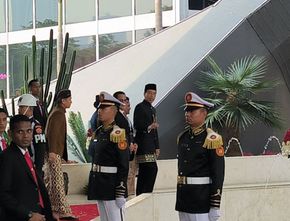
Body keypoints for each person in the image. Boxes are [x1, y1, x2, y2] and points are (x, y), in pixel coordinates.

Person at [175, 92, 225, 221]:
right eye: (187, 110)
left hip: (201, 200)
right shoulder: (183, 137)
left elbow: (218, 173)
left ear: (204, 113)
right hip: (183, 198)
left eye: (192, 111)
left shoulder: (212, 139)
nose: (188, 114)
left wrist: (215, 205)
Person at [0, 114, 56, 221]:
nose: (26, 135)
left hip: (39, 212)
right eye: (20, 132)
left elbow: (36, 186)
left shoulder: (26, 153)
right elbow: (3, 194)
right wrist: (28, 214)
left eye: (29, 131)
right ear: (10, 133)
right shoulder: (7, 157)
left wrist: (47, 211)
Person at [87, 91, 129, 221]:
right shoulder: (99, 132)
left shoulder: (117, 133)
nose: (100, 110)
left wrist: (120, 190)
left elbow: (123, 163)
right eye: (99, 107)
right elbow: (92, 154)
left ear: (114, 111)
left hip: (111, 186)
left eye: (104, 108)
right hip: (99, 184)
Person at [45, 89, 78, 220]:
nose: (71, 101)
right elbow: (53, 134)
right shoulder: (58, 113)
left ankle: (54, 209)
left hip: (55, 152)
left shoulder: (58, 112)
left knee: (53, 182)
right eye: (69, 99)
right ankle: (62, 210)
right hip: (54, 153)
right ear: (63, 101)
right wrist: (53, 152)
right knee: (57, 182)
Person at [133, 83, 160, 195]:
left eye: (154, 93)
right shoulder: (140, 107)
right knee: (150, 169)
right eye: (149, 93)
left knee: (147, 171)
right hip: (143, 145)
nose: (152, 96)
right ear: (144, 93)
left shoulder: (152, 109)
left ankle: (144, 195)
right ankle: (143, 194)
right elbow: (137, 125)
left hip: (151, 146)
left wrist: (157, 146)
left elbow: (155, 130)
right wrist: (149, 126)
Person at [18, 94, 47, 177]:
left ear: (30, 108)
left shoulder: (36, 125)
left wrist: (38, 168)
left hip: (32, 164)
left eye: (22, 107)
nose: (19, 110)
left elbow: (40, 147)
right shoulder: (18, 124)